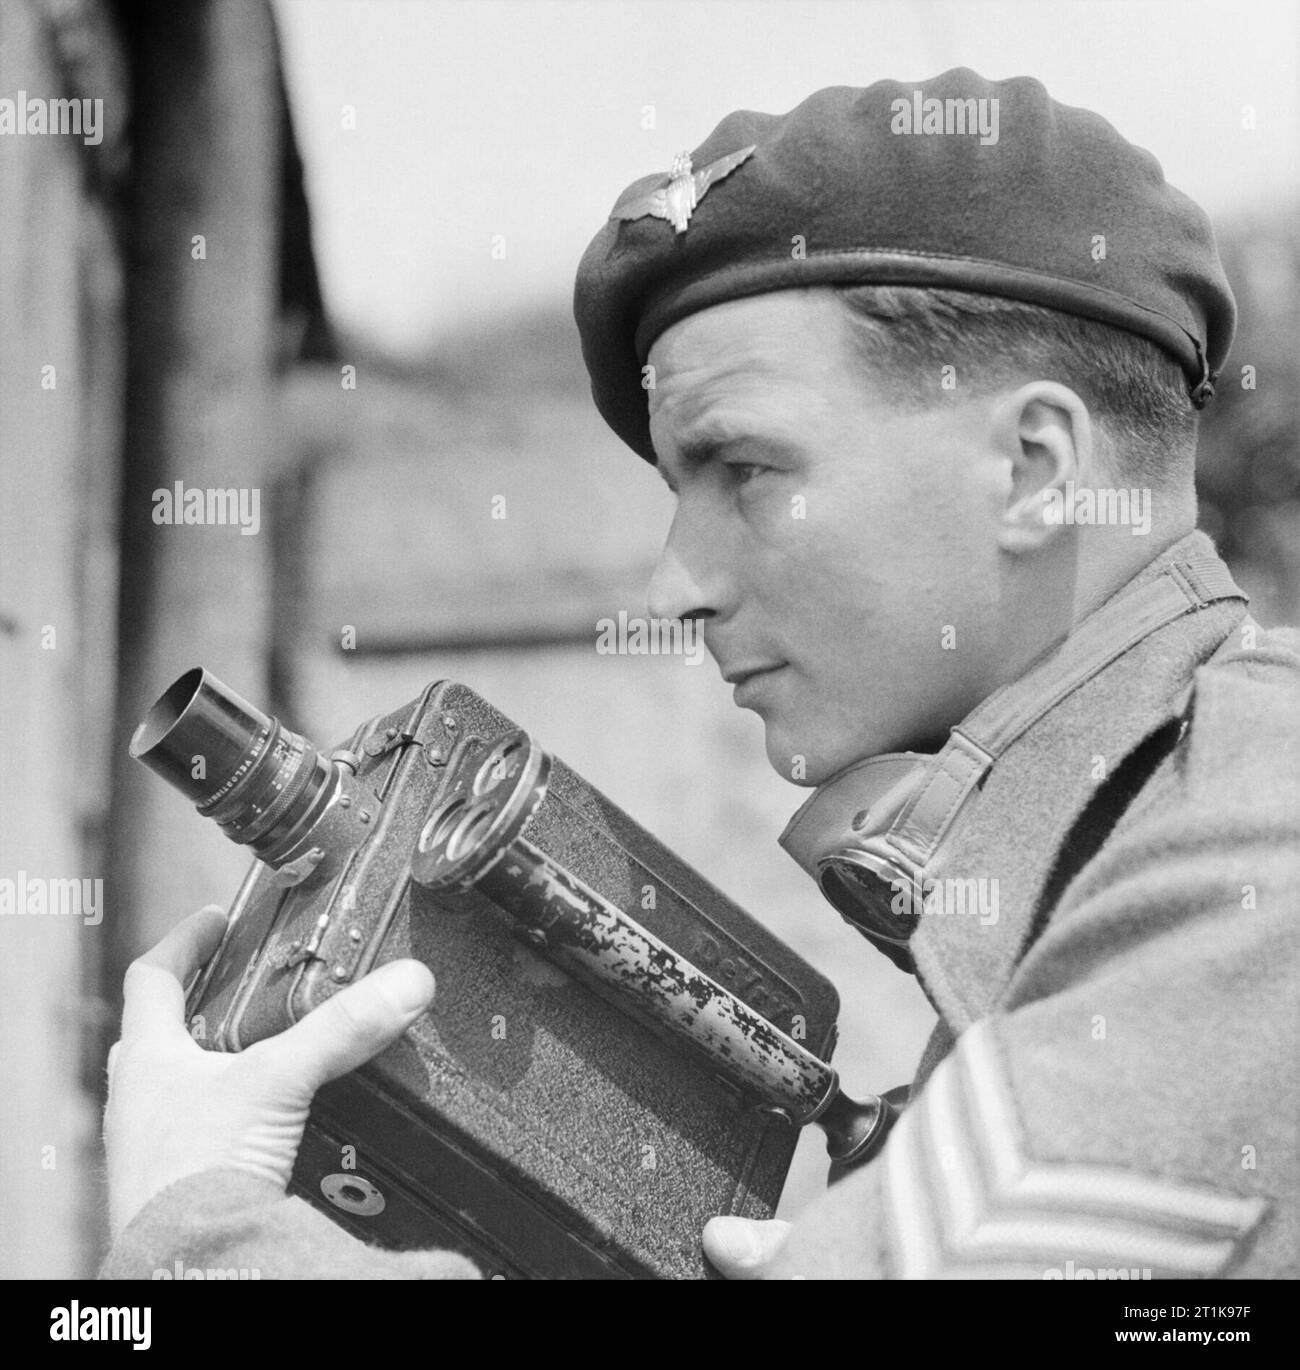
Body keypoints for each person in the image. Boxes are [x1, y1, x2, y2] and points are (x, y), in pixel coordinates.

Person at [102, 68, 1300, 1280]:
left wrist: (196, 1220)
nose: (672, 588)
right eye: (681, 493)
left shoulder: (1257, 862)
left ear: (1035, 469)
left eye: (745, 470)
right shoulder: (1136, 855)